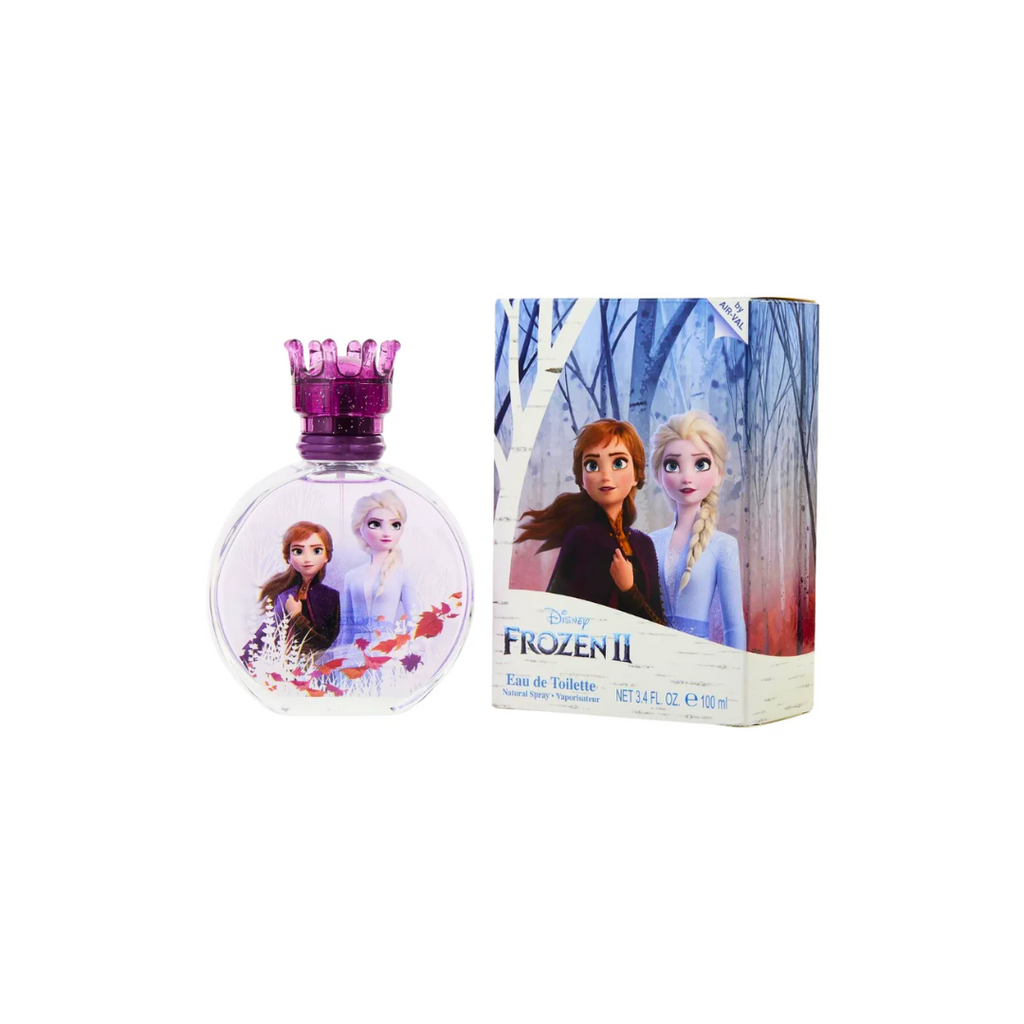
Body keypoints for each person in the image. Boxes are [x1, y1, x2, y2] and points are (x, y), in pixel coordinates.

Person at [516, 418, 665, 624]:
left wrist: (629, 590)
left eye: (618, 463)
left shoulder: (644, 544)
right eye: (592, 465)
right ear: (582, 479)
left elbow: (659, 624)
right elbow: (557, 613)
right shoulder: (582, 538)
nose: (605, 476)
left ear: (636, 475)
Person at [648, 412, 746, 649]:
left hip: (699, 660)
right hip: (654, 657)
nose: (687, 477)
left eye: (700, 464)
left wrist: (733, 668)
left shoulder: (723, 546)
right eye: (672, 465)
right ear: (659, 475)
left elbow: (733, 626)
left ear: (718, 474)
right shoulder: (650, 542)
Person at [242, 521, 341, 662]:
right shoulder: (284, 594)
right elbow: (263, 635)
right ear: (288, 557)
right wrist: (245, 659)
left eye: (316, 551)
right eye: (298, 551)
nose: (307, 559)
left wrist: (297, 616)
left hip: (313, 668)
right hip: (279, 665)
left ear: (327, 556)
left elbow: (324, 644)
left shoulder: (330, 597)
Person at [338, 490, 422, 647]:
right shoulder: (352, 576)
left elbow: (415, 622)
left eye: (395, 525)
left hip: (388, 652)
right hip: (355, 652)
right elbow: (348, 628)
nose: (386, 533)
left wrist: (413, 654)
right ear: (360, 529)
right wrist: (342, 655)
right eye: (375, 524)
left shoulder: (404, 574)